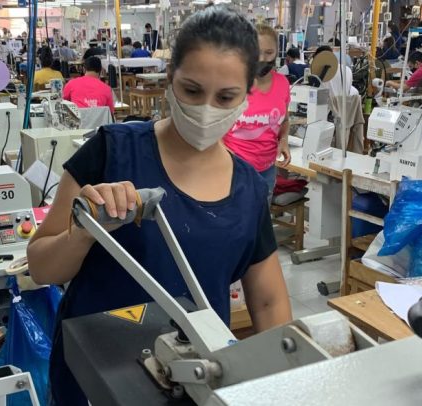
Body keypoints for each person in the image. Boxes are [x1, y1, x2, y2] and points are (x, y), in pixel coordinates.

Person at [28, 7, 292, 405]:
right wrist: (82, 233)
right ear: (170, 78)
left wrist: (286, 383)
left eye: (226, 97)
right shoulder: (112, 152)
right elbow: (41, 267)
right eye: (192, 90)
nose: (206, 109)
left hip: (192, 381)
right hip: (92, 378)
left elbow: (269, 303)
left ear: (247, 94)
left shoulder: (248, 190)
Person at [223, 24, 291, 201]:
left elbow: (284, 120)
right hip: (234, 169)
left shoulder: (282, 84)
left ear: (277, 52)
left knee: (262, 215)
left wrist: (283, 140)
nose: (262, 58)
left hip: (267, 170)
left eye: (269, 52)